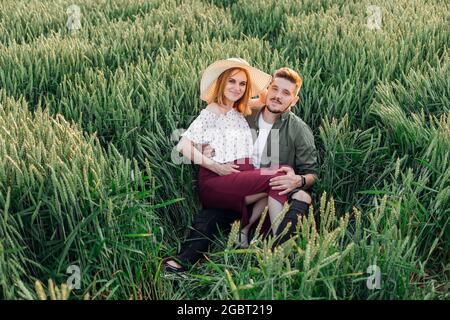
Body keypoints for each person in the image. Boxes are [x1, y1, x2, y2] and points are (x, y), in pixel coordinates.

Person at [164, 64, 318, 273]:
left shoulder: (248, 112)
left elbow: (312, 172)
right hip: (226, 179)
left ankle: (252, 237)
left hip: (251, 186)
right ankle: (279, 248)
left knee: (288, 187)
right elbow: (184, 144)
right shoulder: (236, 111)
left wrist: (299, 181)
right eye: (274, 89)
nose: (278, 96)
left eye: (286, 93)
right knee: (277, 174)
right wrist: (211, 160)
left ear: (294, 100)